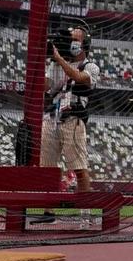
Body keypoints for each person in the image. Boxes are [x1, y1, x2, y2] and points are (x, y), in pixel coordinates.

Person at [40, 24, 98, 197]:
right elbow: (45, 87)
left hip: (73, 119)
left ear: (84, 44)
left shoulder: (91, 67)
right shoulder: (56, 65)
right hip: (52, 117)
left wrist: (58, 58)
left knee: (79, 168)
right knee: (47, 168)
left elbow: (79, 77)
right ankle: (48, 210)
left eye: (75, 40)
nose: (70, 43)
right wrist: (45, 60)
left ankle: (85, 212)